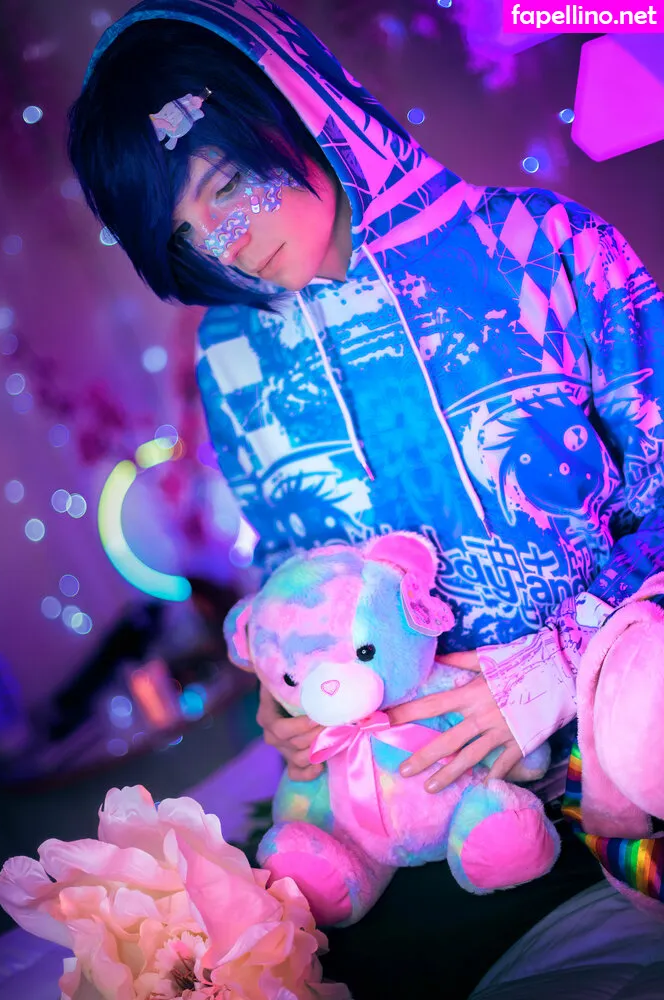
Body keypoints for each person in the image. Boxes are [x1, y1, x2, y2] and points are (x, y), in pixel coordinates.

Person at [69, 2, 664, 995]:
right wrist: (285, 693)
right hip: (409, 804)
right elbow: (293, 581)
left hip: (619, 737)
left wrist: (558, 667)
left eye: (227, 186)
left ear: (297, 101)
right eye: (184, 232)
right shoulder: (229, 355)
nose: (224, 247)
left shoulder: (540, 245)